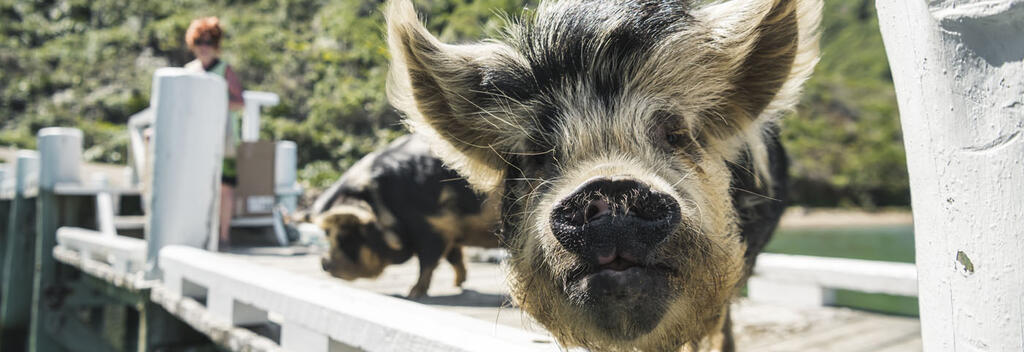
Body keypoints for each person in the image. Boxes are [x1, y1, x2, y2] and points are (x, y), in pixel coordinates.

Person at [184, 17, 243, 251]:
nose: (204, 46)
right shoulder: (189, 71)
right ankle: (196, 233)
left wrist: (215, 104)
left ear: (216, 44)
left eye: (209, 41)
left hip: (223, 137)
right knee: (195, 185)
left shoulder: (224, 69)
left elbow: (240, 102)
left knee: (225, 187)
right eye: (199, 41)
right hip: (196, 138)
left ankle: (223, 236)